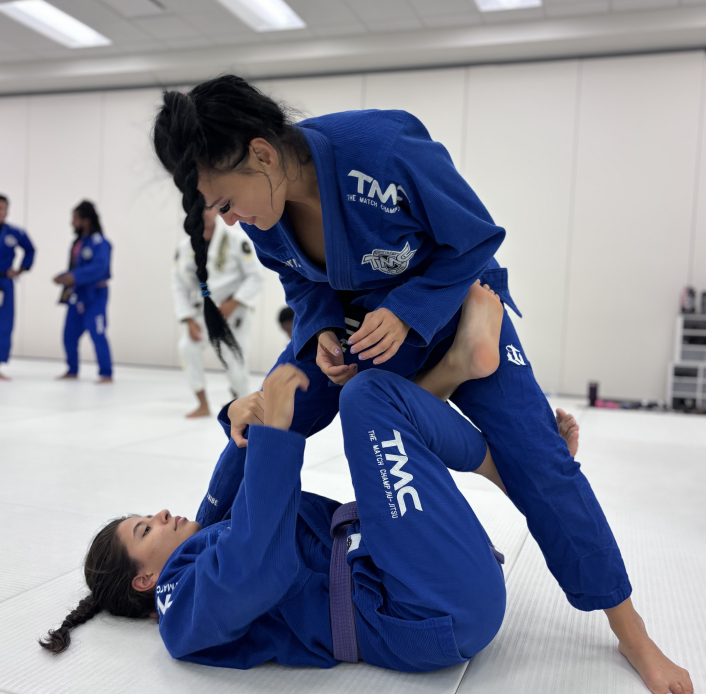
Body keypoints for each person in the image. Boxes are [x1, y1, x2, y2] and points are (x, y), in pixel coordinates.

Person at [151, 76, 689, 693]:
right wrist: (320, 328)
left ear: (262, 153)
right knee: (268, 409)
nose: (230, 219)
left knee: (540, 463)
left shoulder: (380, 149)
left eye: (226, 202)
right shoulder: (262, 213)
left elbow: (476, 237)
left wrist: (408, 311)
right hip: (361, 329)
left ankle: (633, 634)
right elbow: (300, 282)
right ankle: (210, 537)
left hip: (459, 305)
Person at [173, 212, 263, 418]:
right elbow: (178, 285)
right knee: (187, 348)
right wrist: (188, 318)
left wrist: (235, 302)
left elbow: (256, 276)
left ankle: (243, 405)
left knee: (236, 364)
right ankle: (202, 404)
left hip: (234, 312)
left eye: (207, 207)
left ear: (215, 210)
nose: (203, 213)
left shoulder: (237, 240)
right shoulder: (185, 248)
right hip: (203, 311)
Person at [53, 201, 113, 383]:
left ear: (86, 221)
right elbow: (76, 267)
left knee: (97, 332)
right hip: (76, 295)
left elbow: (99, 267)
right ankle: (72, 369)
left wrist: (73, 276)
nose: (72, 223)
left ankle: (106, 373)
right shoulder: (77, 243)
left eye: (75, 219)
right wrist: (64, 276)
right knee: (68, 335)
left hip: (95, 296)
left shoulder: (101, 243)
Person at [0, 194, 35, 380]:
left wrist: (21, 269)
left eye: (3, 208)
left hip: (5, 282)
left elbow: (30, 250)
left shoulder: (14, 233)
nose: (0, 212)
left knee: (4, 325)